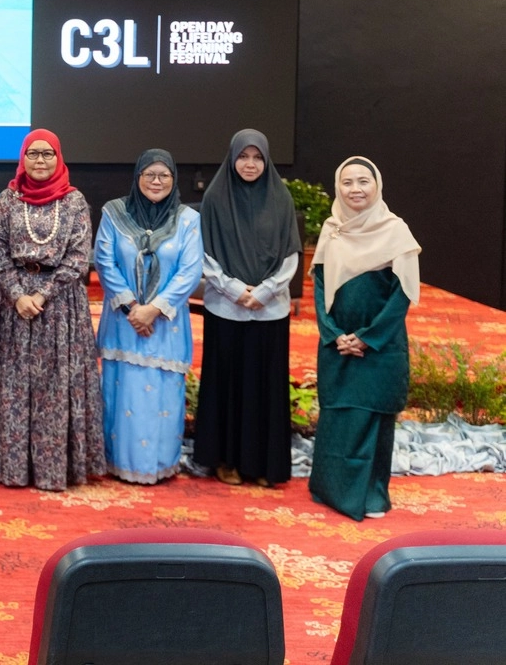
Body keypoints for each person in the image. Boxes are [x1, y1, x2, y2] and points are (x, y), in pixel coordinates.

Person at [0, 128, 102, 491]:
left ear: (59, 158)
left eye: (48, 154)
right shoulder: (8, 199)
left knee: (56, 386)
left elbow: (78, 257)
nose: (40, 160)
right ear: (23, 158)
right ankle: (11, 468)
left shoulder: (74, 201)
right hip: (13, 305)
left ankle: (54, 470)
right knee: (14, 385)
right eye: (33, 154)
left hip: (60, 306)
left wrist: (42, 294)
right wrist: (19, 294)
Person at [308, 157, 419, 521]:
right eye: (347, 182)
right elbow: (320, 287)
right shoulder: (331, 229)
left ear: (377, 185)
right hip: (337, 347)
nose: (355, 189)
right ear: (338, 187)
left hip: (380, 348)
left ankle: (370, 496)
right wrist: (334, 335)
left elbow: (402, 295)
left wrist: (368, 338)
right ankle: (329, 489)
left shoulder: (396, 231)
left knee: (372, 419)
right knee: (337, 418)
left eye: (363, 181)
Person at [192, 129, 303, 488]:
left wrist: (266, 291)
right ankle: (226, 460)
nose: (250, 164)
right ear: (232, 158)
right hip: (226, 309)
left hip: (270, 312)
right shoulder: (215, 197)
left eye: (257, 157)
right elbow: (204, 252)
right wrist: (235, 290)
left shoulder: (280, 198)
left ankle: (264, 464)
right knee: (228, 384)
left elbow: (291, 254)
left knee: (264, 386)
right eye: (243, 156)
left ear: (266, 160)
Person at [96, 149, 203, 484]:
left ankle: (158, 465)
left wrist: (153, 309)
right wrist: (133, 308)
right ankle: (118, 462)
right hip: (124, 322)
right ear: (137, 177)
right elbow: (104, 261)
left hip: (165, 325)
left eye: (164, 175)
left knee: (163, 394)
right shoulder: (114, 213)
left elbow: (190, 270)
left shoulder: (188, 219)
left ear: (173, 179)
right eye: (149, 175)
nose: (157, 181)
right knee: (123, 391)